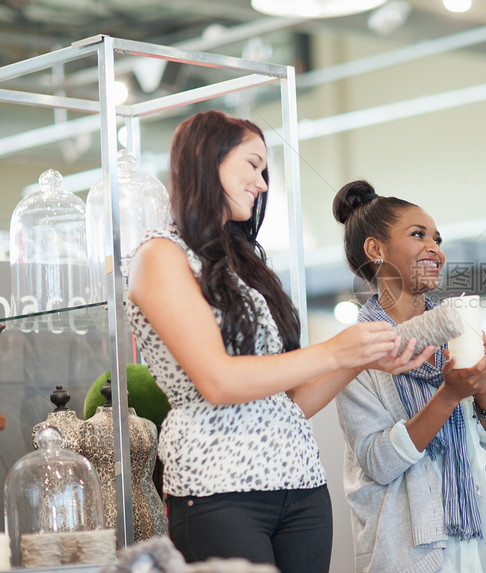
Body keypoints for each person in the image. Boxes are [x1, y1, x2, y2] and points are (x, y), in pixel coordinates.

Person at [125, 110, 432, 572]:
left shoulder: (241, 267)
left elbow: (291, 402)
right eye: (252, 165)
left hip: (302, 487)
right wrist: (334, 350)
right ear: (209, 161)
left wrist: (361, 357)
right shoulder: (159, 256)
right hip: (219, 489)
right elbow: (217, 381)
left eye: (264, 170)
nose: (262, 183)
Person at [332, 180, 486, 573]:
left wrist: (485, 394)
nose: (435, 248)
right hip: (408, 555)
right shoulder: (358, 350)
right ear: (376, 249)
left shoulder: (459, 331)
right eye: (418, 235)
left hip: (484, 544)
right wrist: (449, 396)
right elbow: (379, 461)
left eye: (438, 238)